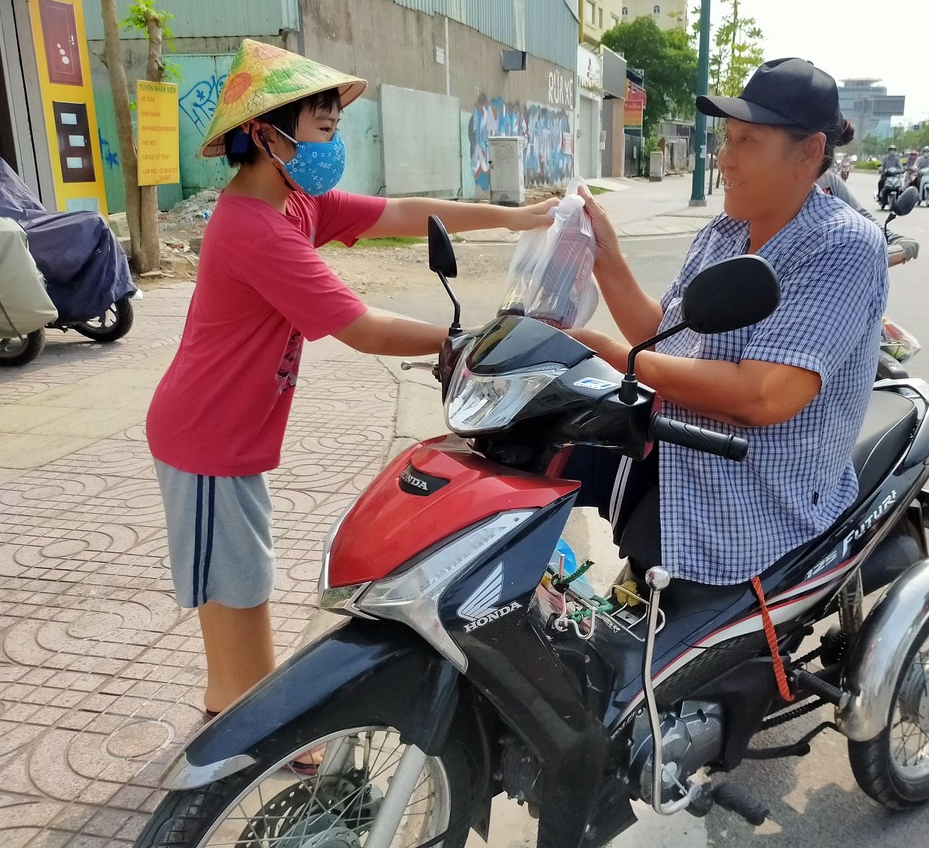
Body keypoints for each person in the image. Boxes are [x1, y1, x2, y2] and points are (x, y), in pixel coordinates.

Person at [145, 40, 555, 733]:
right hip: (205, 434)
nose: (333, 144)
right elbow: (363, 328)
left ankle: (230, 705)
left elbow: (402, 214)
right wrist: (472, 341)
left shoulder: (294, 203)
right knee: (238, 587)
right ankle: (258, 728)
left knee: (235, 579)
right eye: (323, 128)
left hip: (222, 433)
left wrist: (512, 218)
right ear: (266, 136)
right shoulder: (254, 228)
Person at [567, 57, 888, 588]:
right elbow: (662, 336)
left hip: (754, 497)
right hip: (680, 448)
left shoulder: (841, 244)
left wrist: (605, 353)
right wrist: (604, 256)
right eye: (727, 138)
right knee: (526, 447)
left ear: (808, 153)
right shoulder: (725, 232)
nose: (724, 157)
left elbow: (762, 396)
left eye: (747, 142)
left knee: (653, 628)